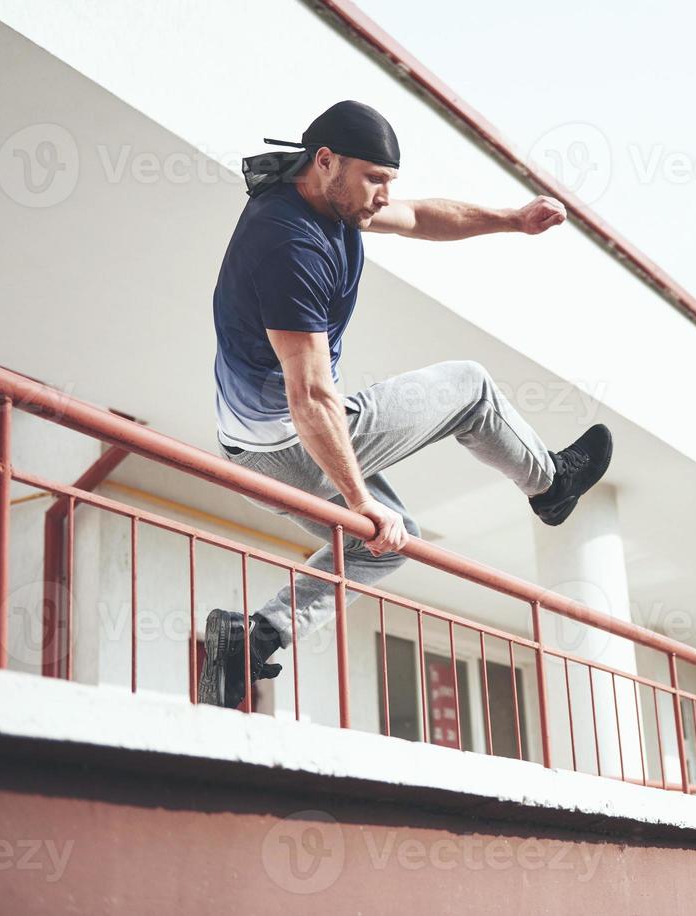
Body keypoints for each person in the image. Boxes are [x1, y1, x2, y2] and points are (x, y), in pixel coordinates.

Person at [198, 100, 613, 710]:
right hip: (290, 440)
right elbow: (311, 398)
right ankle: (549, 486)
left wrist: (511, 218)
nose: (382, 197)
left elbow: (420, 217)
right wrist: (362, 500)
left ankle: (255, 637)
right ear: (325, 160)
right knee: (469, 386)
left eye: (387, 182)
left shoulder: (331, 199)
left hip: (253, 454)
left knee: (388, 542)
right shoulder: (288, 247)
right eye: (374, 180)